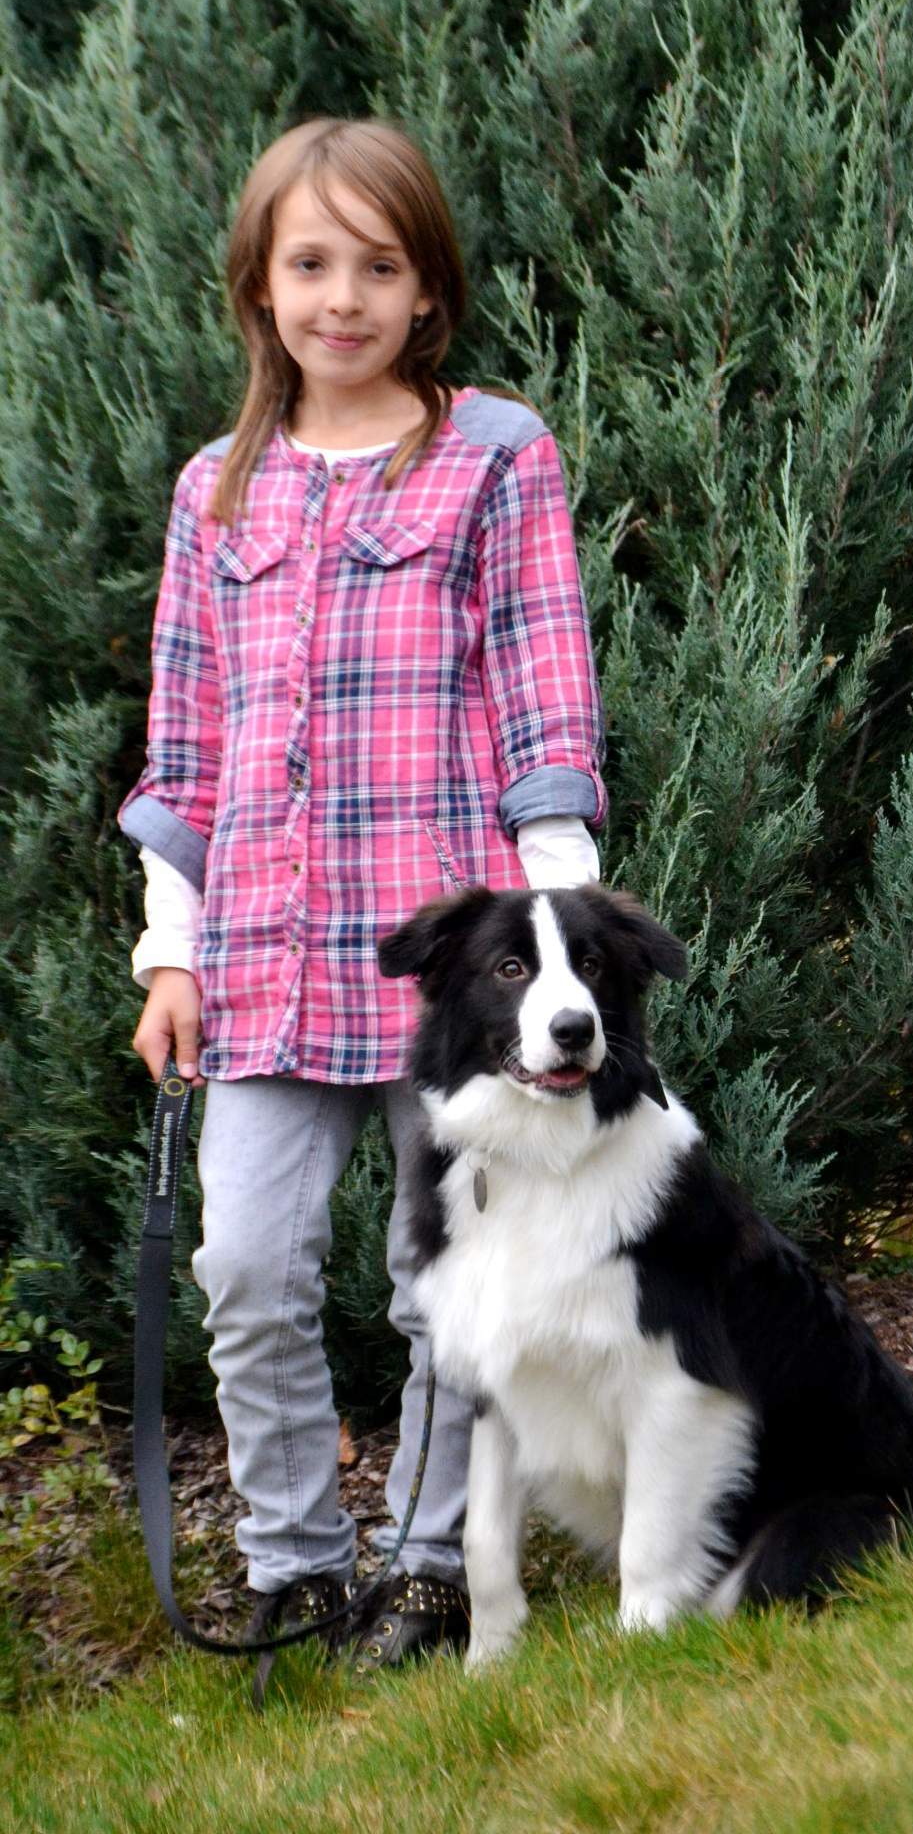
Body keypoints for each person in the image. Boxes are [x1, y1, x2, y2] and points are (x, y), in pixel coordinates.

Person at [119, 116, 607, 1672]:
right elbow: (184, 745)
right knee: (247, 1270)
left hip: (453, 975)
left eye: (379, 266)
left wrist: (553, 946)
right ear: (260, 288)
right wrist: (171, 953)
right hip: (263, 961)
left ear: (427, 288)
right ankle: (293, 1566)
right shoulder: (217, 490)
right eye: (312, 263)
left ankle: (428, 1565)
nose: (344, 297)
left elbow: (544, 700)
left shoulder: (495, 455)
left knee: (440, 1279)